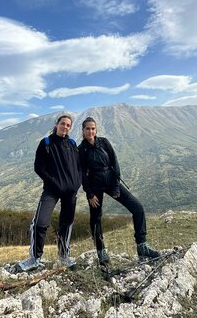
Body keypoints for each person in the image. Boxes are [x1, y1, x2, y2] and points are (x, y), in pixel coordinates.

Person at [78, 116, 160, 267]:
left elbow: (114, 162)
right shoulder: (81, 149)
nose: (90, 131)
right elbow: (82, 174)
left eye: (93, 128)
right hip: (95, 186)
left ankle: (142, 246)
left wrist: (116, 186)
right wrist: (89, 194)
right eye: (87, 129)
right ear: (83, 130)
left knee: (138, 208)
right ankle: (101, 252)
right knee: (96, 218)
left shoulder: (104, 142)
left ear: (96, 130)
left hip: (111, 181)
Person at [17, 114, 83, 272]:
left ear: (70, 127)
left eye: (68, 125)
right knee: (40, 223)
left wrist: (77, 182)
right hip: (51, 190)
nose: (65, 127)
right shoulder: (46, 143)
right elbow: (38, 167)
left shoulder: (72, 144)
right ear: (57, 124)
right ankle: (35, 258)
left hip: (70, 192)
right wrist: (54, 182)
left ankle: (64, 256)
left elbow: (78, 165)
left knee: (66, 224)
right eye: (63, 124)